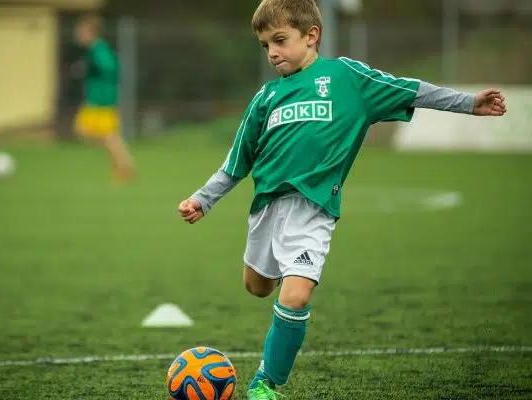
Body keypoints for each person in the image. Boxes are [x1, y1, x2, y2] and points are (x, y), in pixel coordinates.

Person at [178, 0, 507, 398]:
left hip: (314, 211)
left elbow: (412, 89)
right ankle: (285, 274)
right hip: (267, 208)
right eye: (266, 45)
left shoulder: (346, 77)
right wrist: (203, 199)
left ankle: (265, 383)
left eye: (279, 40)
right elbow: (236, 162)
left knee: (296, 295)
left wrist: (470, 104)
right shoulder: (265, 98)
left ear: (312, 35)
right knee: (256, 287)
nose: (273, 53)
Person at [73, 13, 134, 182]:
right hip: (97, 99)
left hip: (101, 101)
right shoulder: (95, 50)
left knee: (103, 136)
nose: (78, 34)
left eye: (81, 31)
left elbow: (109, 67)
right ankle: (123, 164)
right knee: (93, 134)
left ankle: (124, 165)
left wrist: (89, 69)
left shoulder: (98, 49)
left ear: (90, 32)